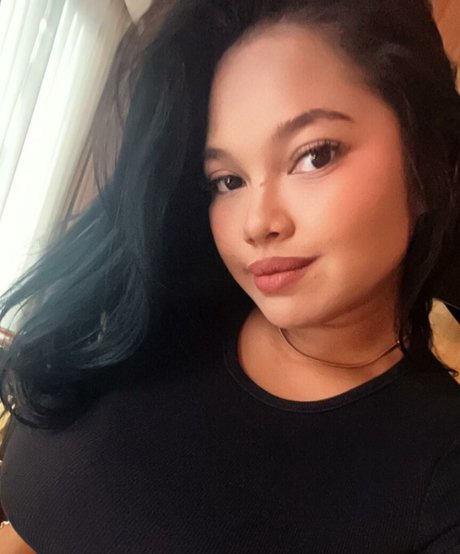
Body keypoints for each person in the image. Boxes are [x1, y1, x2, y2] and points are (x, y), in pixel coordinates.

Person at [0, 0, 459, 552]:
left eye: (314, 155)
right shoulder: (148, 312)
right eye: (227, 180)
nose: (257, 223)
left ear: (427, 163)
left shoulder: (439, 475)